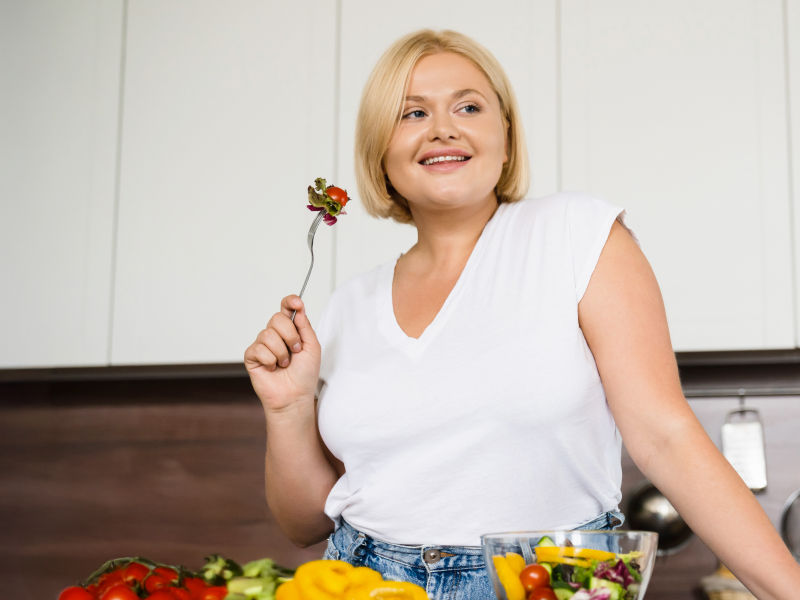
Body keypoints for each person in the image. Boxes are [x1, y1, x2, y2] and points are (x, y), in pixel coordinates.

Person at [244, 29, 800, 600]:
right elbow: (305, 523)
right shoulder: (344, 307)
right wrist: (287, 408)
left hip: (548, 581)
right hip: (364, 582)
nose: (443, 127)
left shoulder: (577, 236)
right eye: (412, 112)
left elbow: (665, 437)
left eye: (468, 106)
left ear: (505, 138)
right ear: (378, 151)